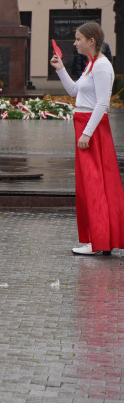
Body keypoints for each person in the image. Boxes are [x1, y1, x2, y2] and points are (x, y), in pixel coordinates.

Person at [51, 22, 124, 256]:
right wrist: (61, 68)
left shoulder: (101, 66)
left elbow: (103, 103)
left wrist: (86, 133)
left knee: (94, 185)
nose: (75, 43)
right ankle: (99, 239)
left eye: (78, 39)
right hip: (85, 126)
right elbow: (74, 92)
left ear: (91, 41)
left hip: (91, 129)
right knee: (90, 185)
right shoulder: (91, 65)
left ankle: (98, 241)